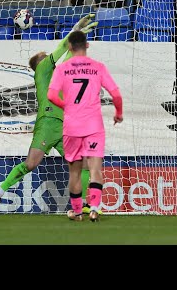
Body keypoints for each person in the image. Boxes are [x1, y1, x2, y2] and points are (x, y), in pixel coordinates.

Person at [0, 14, 99, 216]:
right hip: (47, 123)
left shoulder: (56, 74)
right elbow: (61, 51)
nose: (46, 57)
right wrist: (75, 30)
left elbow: (67, 55)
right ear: (39, 64)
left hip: (65, 126)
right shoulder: (41, 71)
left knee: (82, 164)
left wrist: (77, 34)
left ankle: (84, 203)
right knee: (31, 164)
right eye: (43, 56)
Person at [47, 30, 123, 222]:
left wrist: (68, 107)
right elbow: (115, 94)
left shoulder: (62, 68)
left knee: (75, 171)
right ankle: (95, 208)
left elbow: (51, 96)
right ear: (87, 45)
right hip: (94, 126)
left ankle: (77, 212)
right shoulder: (98, 67)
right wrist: (118, 113)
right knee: (96, 169)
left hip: (72, 126)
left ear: (70, 47)